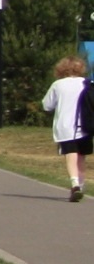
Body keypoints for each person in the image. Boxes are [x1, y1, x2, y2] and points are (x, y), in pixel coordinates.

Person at [46, 55, 91, 202]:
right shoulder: (87, 83)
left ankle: (74, 184)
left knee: (71, 155)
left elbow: (47, 105)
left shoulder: (58, 85)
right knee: (81, 157)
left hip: (65, 126)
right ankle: (81, 185)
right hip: (85, 125)